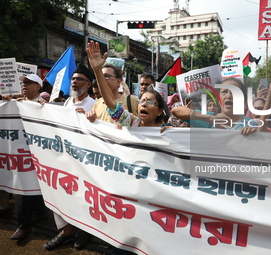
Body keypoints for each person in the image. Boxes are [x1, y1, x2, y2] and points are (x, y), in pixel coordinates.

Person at [44, 64, 95, 251]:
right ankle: (67, 229)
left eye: (79, 79)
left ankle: (82, 232)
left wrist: (90, 120)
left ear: (88, 84)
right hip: (65, 157)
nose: (74, 82)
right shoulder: (67, 103)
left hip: (83, 161)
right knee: (64, 195)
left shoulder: (93, 104)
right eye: (72, 79)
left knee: (83, 197)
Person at [86, 40, 165, 128]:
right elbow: (112, 104)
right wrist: (97, 70)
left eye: (150, 102)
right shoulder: (132, 123)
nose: (144, 104)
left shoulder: (168, 132)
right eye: (142, 101)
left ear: (160, 111)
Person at [8, 74, 47, 240]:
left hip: (37, 154)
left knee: (27, 188)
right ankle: (38, 213)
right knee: (28, 187)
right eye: (23, 83)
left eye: (29, 83)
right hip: (20, 153)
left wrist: (45, 106)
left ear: (38, 87)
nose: (24, 85)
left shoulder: (43, 106)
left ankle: (24, 225)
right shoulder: (17, 103)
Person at [171, 77, 256, 136]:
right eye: (224, 92)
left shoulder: (252, 124)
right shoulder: (207, 118)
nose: (229, 96)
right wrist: (210, 119)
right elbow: (176, 111)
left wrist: (255, 135)